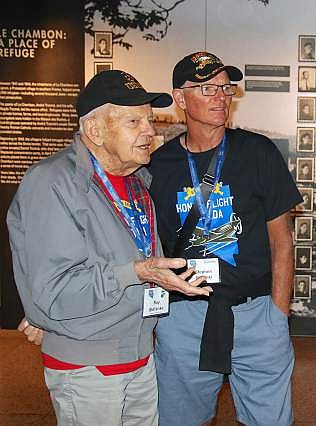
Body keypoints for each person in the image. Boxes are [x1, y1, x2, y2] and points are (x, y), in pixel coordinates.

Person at [8, 70, 212, 425]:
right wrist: (138, 271)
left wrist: (155, 275)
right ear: (95, 131)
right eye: (134, 121)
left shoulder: (135, 182)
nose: (151, 131)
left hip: (139, 357)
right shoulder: (53, 184)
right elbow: (56, 290)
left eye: (150, 120)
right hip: (88, 368)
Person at [148, 51, 301, 426]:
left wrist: (278, 314)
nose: (221, 96)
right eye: (207, 87)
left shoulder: (258, 152)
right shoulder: (158, 166)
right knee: (182, 419)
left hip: (254, 313)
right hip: (185, 315)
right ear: (180, 99)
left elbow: (282, 240)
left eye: (225, 87)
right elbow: (149, 245)